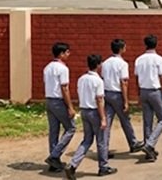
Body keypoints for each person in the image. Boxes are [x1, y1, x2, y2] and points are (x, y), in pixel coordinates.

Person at [64, 54, 116, 179]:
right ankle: (103, 166)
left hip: (84, 110)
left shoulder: (82, 79)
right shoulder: (98, 81)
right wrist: (103, 118)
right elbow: (99, 100)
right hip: (94, 112)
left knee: (87, 139)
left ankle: (73, 164)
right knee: (101, 140)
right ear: (99, 65)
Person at [101, 39, 143, 157]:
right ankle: (133, 142)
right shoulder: (123, 64)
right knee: (125, 119)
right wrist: (126, 100)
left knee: (107, 122)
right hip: (117, 94)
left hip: (106, 92)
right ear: (121, 49)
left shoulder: (105, 63)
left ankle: (104, 148)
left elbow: (102, 78)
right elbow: (124, 82)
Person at [134, 34, 162, 162]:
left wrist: (138, 93)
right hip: (155, 91)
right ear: (156, 44)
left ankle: (148, 148)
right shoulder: (159, 59)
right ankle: (150, 144)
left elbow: (137, 78)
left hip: (143, 90)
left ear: (145, 44)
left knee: (147, 120)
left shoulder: (139, 59)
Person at [44, 42, 76, 173]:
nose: (69, 54)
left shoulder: (47, 67)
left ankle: (54, 163)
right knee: (71, 128)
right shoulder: (63, 69)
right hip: (58, 101)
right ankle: (54, 155)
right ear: (61, 54)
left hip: (49, 100)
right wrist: (70, 106)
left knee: (54, 130)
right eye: (67, 52)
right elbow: (64, 88)